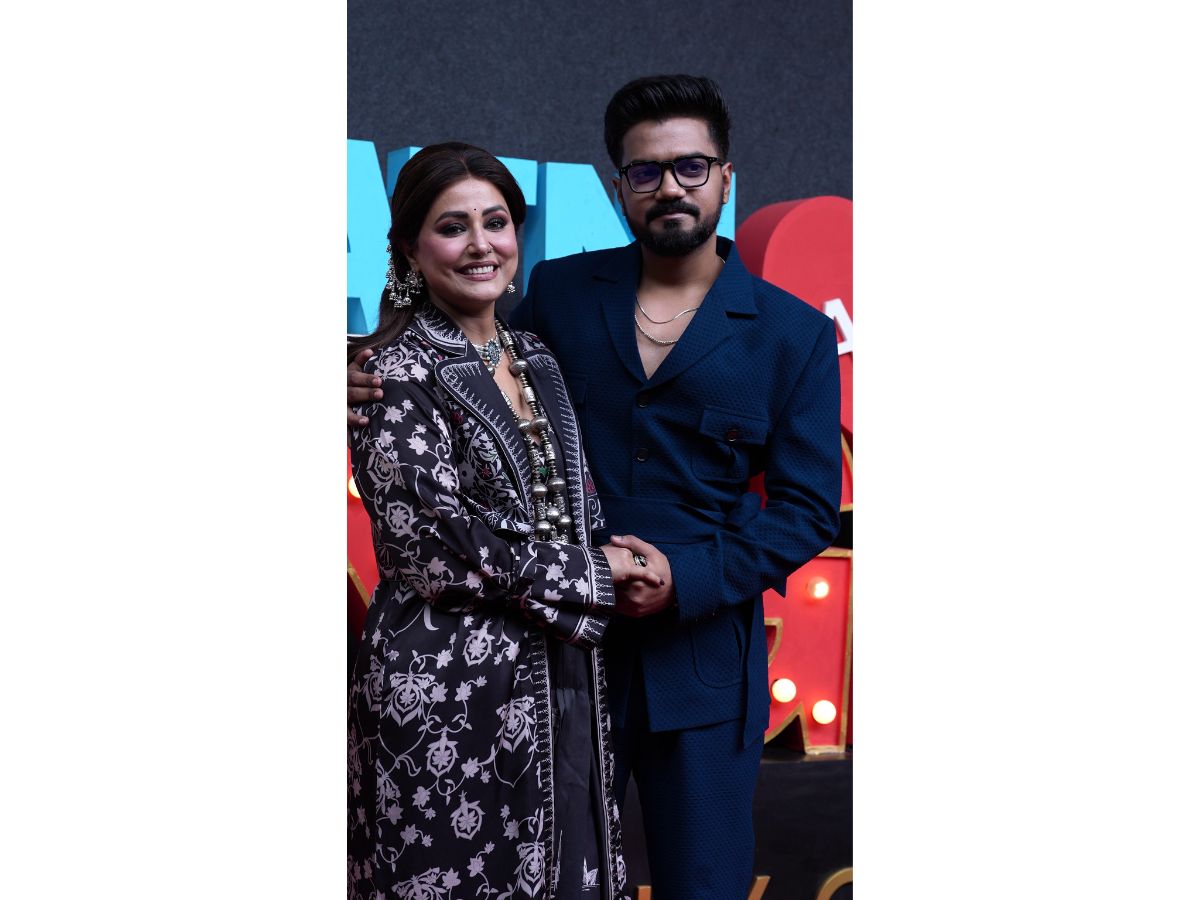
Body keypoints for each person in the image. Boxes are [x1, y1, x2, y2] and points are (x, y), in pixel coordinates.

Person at [349, 75, 842, 900]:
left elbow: (806, 511)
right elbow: (460, 376)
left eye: (691, 166)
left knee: (703, 884)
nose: (670, 187)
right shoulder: (562, 296)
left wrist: (686, 578)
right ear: (620, 187)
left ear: (726, 177)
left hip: (698, 664)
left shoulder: (794, 335)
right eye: (647, 171)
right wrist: (352, 368)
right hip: (545, 657)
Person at [346, 142, 655, 900]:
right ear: (411, 249)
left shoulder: (536, 357)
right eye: (453, 227)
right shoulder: (391, 369)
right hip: (448, 691)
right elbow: (432, 548)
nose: (481, 244)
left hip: (564, 678)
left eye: (496, 221)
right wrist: (593, 573)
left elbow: (569, 504)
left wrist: (611, 551)